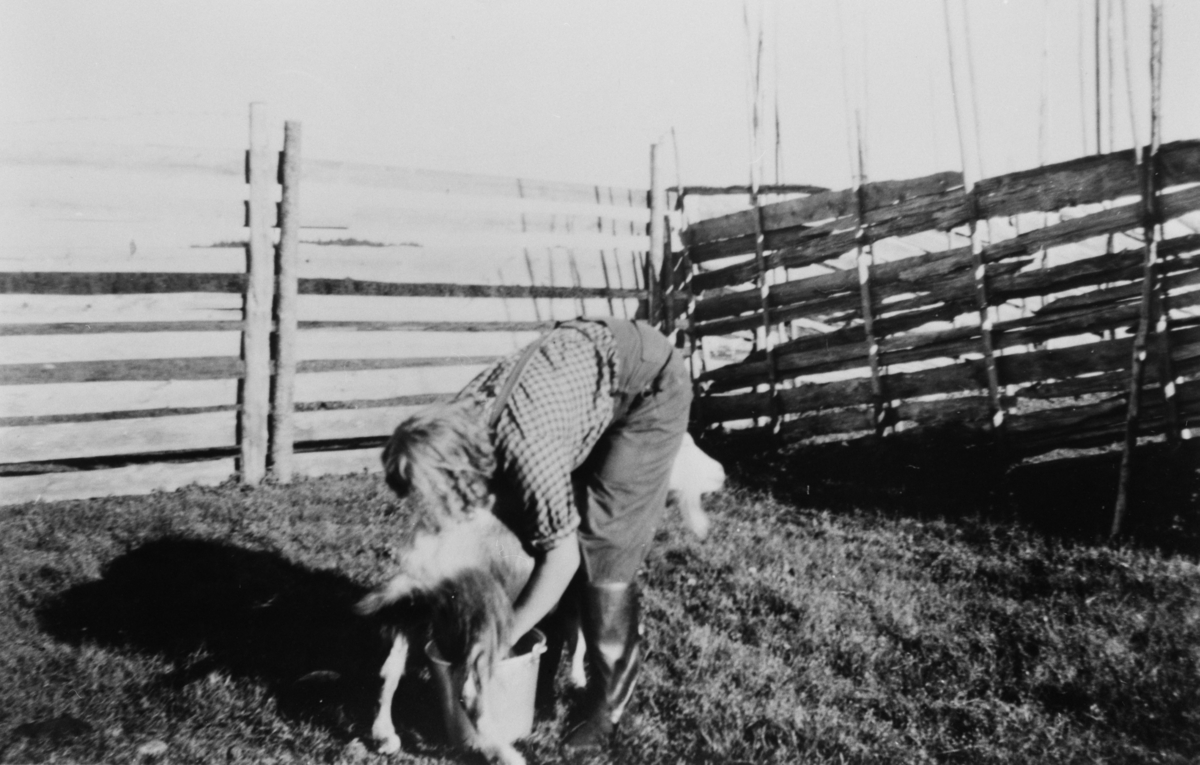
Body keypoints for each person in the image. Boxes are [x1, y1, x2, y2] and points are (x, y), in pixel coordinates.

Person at [380, 316, 692, 753]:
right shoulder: (458, 420)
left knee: (602, 543)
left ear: (457, 469)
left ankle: (606, 711)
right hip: (582, 382)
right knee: (522, 530)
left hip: (647, 388)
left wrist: (500, 642)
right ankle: (540, 667)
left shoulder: (527, 448)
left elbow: (559, 559)